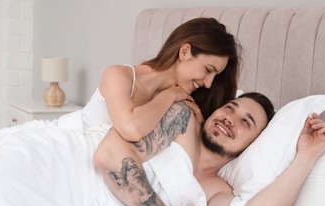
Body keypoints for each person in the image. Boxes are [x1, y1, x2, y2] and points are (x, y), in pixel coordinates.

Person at [94, 92, 325, 206]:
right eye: (230, 107)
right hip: (70, 166)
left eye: (245, 122)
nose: (230, 119)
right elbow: (109, 154)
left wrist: (306, 157)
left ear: (252, 146)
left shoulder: (216, 192)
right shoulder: (181, 121)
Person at [82, 17, 240, 141]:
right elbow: (131, 129)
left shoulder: (185, 104)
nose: (208, 83)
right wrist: (170, 94)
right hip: (71, 144)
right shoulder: (118, 75)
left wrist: (199, 127)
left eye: (215, 76)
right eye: (208, 70)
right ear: (185, 52)